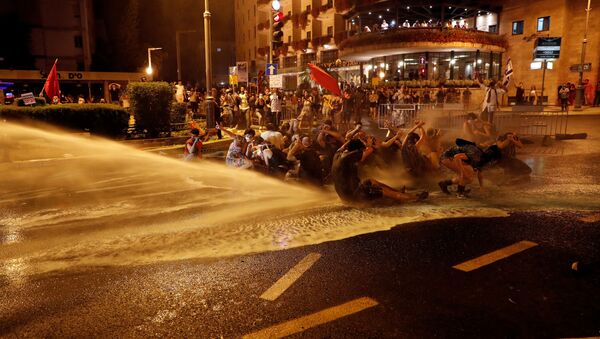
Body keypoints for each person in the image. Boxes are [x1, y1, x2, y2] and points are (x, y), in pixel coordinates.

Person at [332, 138, 428, 204]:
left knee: (372, 181)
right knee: (385, 192)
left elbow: (345, 145)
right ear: (357, 150)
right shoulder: (351, 156)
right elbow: (368, 150)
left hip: (344, 195)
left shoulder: (338, 154)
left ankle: (399, 192)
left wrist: (355, 140)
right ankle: (414, 198)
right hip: (354, 196)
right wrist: (369, 145)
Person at [438, 139, 502, 197]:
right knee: (467, 176)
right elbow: (457, 157)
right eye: (494, 160)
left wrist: (482, 187)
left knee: (469, 176)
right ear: (491, 157)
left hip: (450, 158)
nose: (493, 162)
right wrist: (462, 172)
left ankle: (444, 184)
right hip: (447, 157)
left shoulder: (481, 157)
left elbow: (480, 173)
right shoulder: (477, 155)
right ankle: (460, 192)